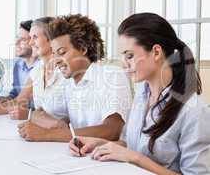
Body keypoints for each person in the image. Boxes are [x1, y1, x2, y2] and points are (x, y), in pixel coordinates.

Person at [69, 13, 210, 175]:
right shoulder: (142, 95)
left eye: (130, 55)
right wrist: (100, 143)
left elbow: (135, 155)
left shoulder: (194, 111)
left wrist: (135, 158)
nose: (124, 64)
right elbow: (132, 146)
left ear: (156, 52)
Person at [18, 14, 132, 142]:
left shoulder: (111, 75)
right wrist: (52, 124)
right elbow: (46, 116)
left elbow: (111, 130)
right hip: (82, 156)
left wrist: (46, 134)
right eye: (54, 54)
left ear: (83, 49)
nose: (56, 61)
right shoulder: (69, 83)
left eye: (62, 53)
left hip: (112, 160)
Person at [0, 17, 68, 125]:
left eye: (34, 37)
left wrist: (30, 115)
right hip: (41, 132)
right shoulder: (38, 70)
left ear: (51, 40)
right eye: (30, 38)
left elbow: (72, 121)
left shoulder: (66, 72)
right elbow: (19, 101)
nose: (30, 43)